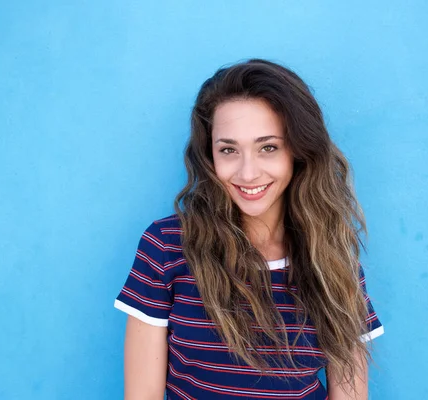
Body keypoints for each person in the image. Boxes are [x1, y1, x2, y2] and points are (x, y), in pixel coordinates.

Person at [114, 59, 384, 399]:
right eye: (229, 150)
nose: (248, 173)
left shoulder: (331, 256)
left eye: (268, 147)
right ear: (210, 156)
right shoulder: (167, 247)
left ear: (298, 152)